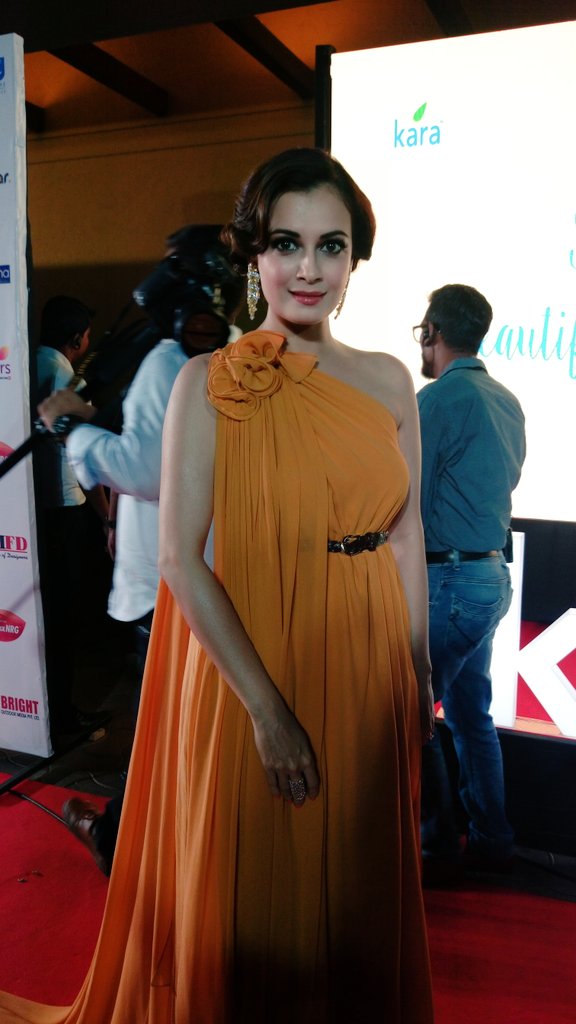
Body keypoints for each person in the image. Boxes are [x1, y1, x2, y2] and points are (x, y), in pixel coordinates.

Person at [0, 148, 434, 1023]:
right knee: (264, 903)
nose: (308, 268)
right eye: (286, 243)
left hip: (368, 661)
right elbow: (179, 559)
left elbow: (405, 534)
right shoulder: (209, 381)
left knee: (354, 894)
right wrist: (267, 712)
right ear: (254, 255)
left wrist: (416, 679)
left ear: (355, 257)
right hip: (255, 661)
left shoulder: (390, 379)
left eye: (331, 245)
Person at [37, 226, 243, 875]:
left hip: (170, 579)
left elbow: (148, 470)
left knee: (160, 717)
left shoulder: (166, 362)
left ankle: (118, 836)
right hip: (222, 570)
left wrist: (71, 429)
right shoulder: (241, 350)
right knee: (188, 717)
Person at [415, 284, 526, 879]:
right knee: (469, 715)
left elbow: (408, 502)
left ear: (433, 332)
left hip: (448, 581)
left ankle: (436, 847)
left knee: (410, 714)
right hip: (489, 577)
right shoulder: (507, 400)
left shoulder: (435, 401)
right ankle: (492, 840)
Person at [35, 296, 109, 740]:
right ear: (78, 338)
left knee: (48, 616)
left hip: (34, 509)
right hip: (65, 509)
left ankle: (50, 711)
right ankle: (63, 717)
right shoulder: (63, 374)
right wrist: (107, 516)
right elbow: (83, 454)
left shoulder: (28, 362)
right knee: (64, 618)